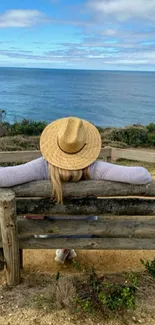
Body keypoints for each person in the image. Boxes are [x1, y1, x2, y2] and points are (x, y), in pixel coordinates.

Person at [0, 117, 152, 263]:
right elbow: (142, 176)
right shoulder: (94, 168)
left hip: (48, 232)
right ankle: (66, 247)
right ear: (84, 145)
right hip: (86, 230)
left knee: (36, 212)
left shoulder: (41, 166)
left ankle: (64, 247)